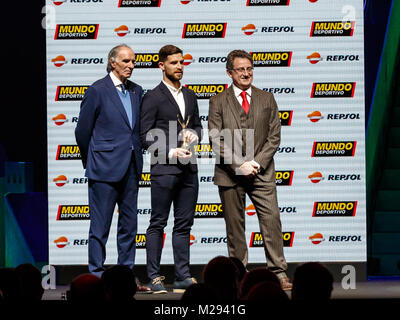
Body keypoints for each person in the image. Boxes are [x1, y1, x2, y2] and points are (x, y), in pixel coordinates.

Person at [208, 49, 292, 291]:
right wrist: (239, 164)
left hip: (262, 172)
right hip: (229, 174)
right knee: (235, 227)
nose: (246, 73)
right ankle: (238, 274)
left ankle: (278, 272)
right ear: (229, 73)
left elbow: (274, 136)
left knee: (272, 220)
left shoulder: (267, 98)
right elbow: (215, 137)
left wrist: (256, 163)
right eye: (240, 69)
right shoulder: (217, 100)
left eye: (249, 69)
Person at [75, 44, 143, 279]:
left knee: (129, 227)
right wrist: (93, 160)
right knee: (99, 228)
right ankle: (95, 275)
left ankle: (126, 275)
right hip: (103, 169)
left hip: (132, 168)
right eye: (126, 61)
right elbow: (82, 132)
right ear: (113, 62)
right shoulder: (97, 90)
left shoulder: (137, 91)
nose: (131, 66)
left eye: (133, 61)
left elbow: (135, 130)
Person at [140, 44, 202, 294]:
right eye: (174, 62)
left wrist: (194, 137)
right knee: (158, 223)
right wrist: (169, 151)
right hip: (164, 169)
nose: (179, 66)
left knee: (184, 225)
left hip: (189, 169)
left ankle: (182, 276)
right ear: (161, 66)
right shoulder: (152, 97)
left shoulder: (190, 95)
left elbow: (197, 125)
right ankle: (154, 277)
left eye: (182, 62)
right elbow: (144, 136)